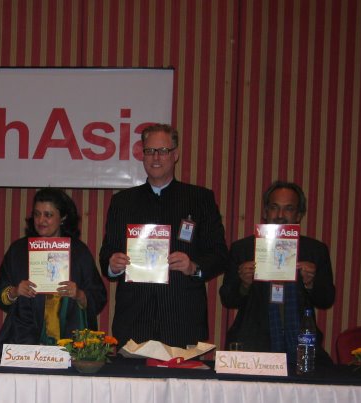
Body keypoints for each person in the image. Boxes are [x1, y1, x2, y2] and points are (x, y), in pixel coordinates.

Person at [99, 123, 228, 348]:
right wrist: (113, 264)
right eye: (150, 151)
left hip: (182, 320)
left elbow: (219, 254)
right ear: (142, 155)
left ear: (175, 155)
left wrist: (193, 267)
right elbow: (106, 253)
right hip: (133, 321)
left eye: (163, 151)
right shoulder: (122, 202)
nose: (156, 157)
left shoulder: (200, 199)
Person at [219, 180, 336, 361]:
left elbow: (326, 299)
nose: (280, 215)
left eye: (289, 208)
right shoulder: (243, 248)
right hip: (253, 345)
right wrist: (244, 285)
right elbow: (227, 299)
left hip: (302, 346)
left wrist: (311, 283)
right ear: (265, 212)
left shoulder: (315, 250)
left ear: (299, 215)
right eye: (274, 207)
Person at [0, 187, 107, 345]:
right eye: (37, 214)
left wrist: (79, 295)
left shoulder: (79, 252)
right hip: (23, 338)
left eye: (48, 215)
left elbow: (99, 296)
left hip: (71, 339)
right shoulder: (18, 250)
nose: (41, 221)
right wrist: (14, 292)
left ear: (63, 218)